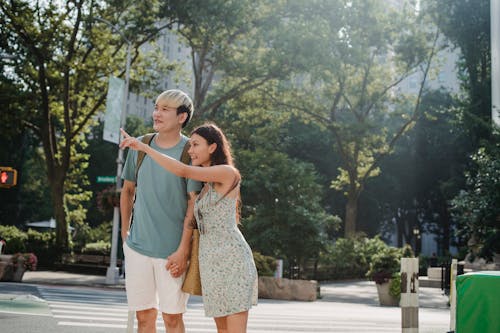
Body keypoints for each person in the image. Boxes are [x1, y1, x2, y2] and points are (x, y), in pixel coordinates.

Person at [120, 123, 258, 333]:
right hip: (212, 264)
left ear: (212, 147)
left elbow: (182, 170)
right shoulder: (206, 185)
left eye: (195, 145)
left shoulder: (227, 173)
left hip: (232, 260)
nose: (190, 150)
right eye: (190, 145)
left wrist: (145, 148)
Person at [120, 89, 202, 333]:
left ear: (181, 117)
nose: (157, 113)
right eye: (156, 107)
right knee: (144, 318)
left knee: (172, 319)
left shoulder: (190, 151)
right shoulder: (141, 145)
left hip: (172, 252)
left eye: (165, 109)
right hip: (137, 248)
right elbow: (127, 191)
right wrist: (125, 234)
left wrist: (183, 250)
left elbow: (193, 203)